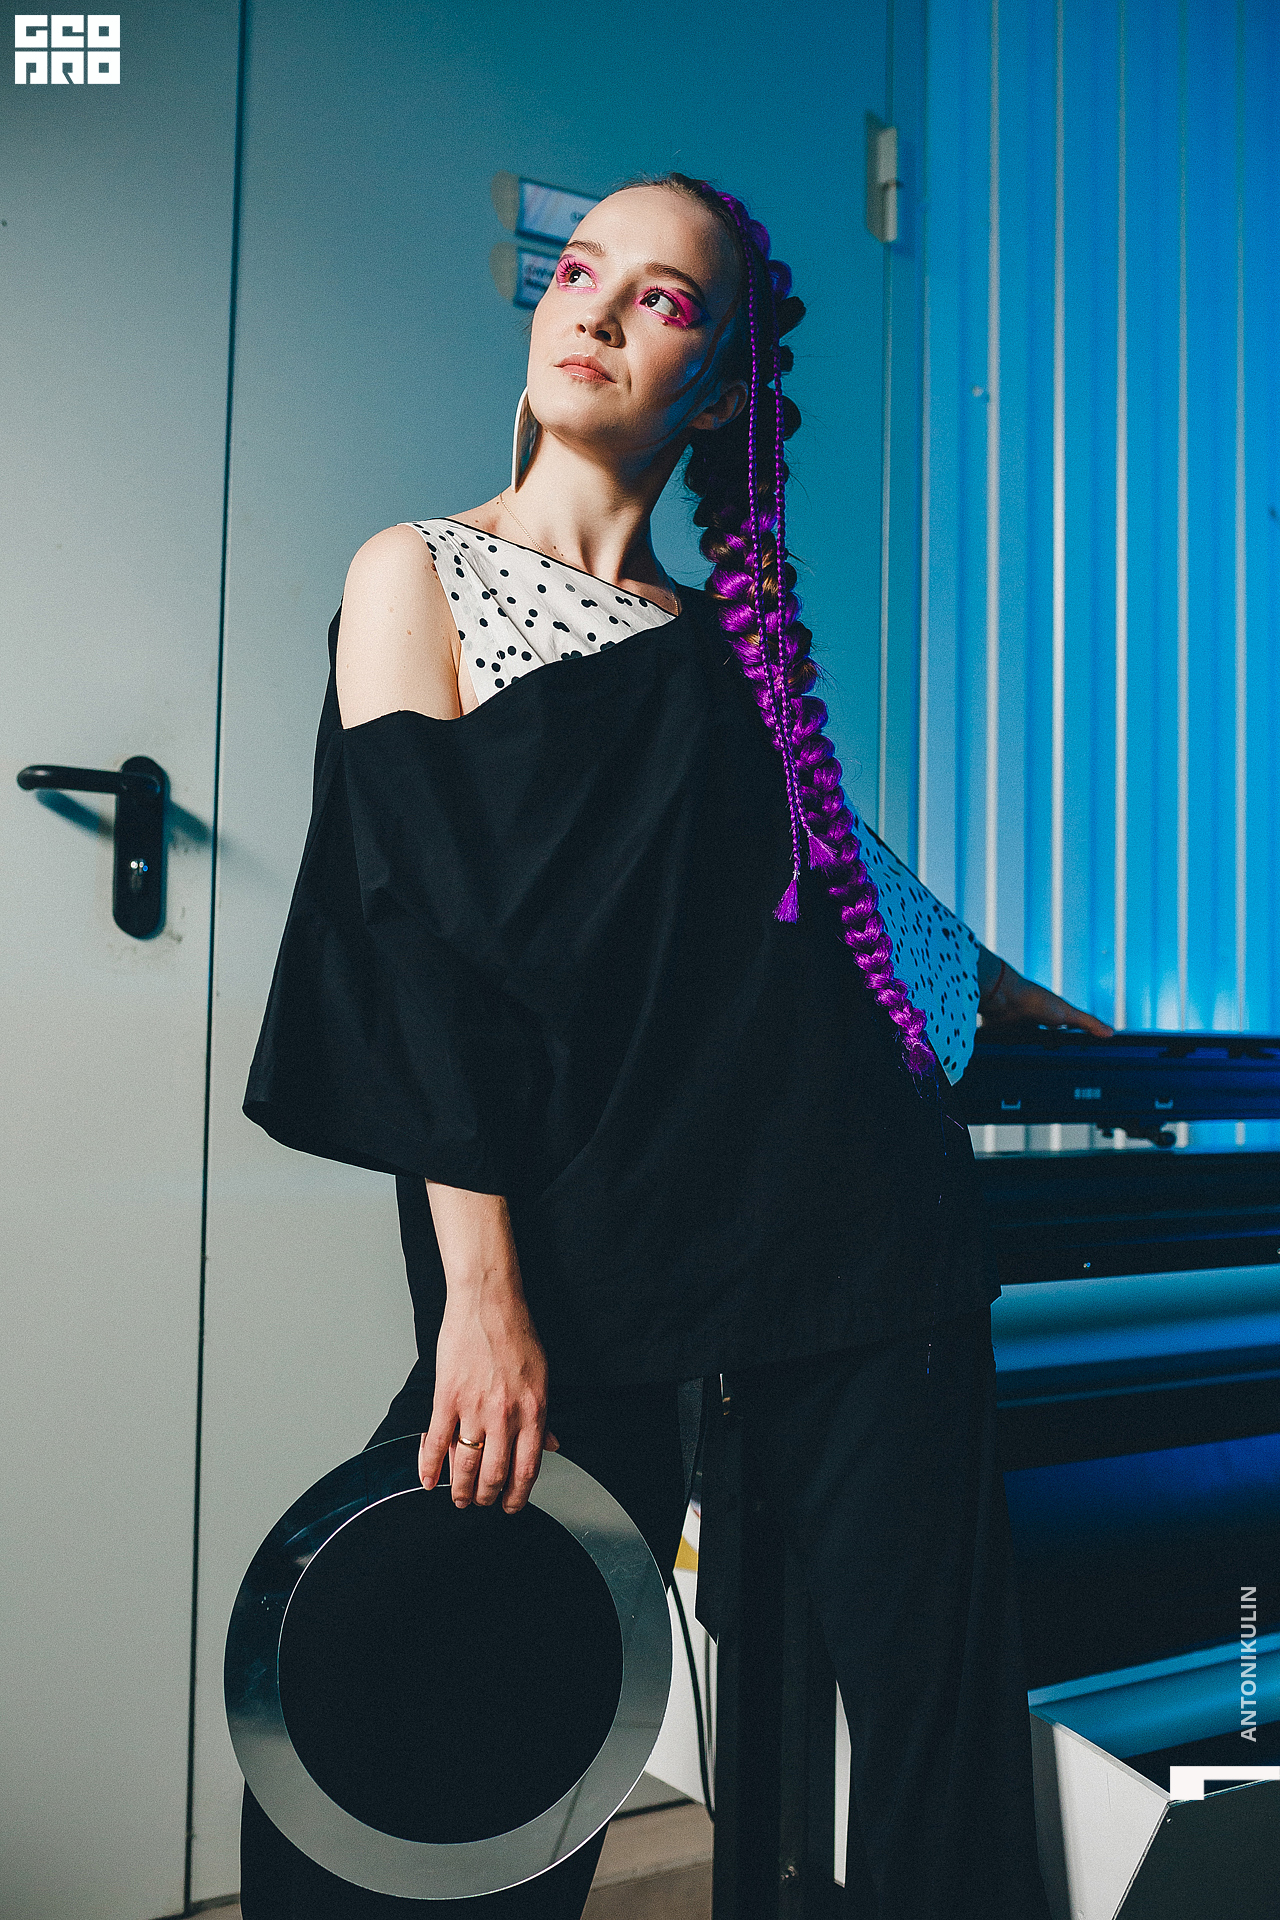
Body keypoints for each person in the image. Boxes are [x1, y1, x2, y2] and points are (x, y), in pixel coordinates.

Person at [241, 173, 1111, 1919]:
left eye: (661, 296)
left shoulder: (726, 648)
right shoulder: (417, 574)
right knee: (471, 1701)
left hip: (847, 1230)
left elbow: (832, 874)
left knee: (933, 1721)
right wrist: (482, 1296)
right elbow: (418, 951)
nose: (594, 307)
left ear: (716, 391)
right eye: (581, 270)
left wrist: (1011, 992)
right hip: (580, 1246)